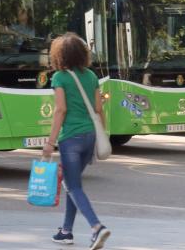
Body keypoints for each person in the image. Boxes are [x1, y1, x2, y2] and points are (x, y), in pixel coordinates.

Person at [42, 33, 111, 250]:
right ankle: (66, 232)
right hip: (90, 136)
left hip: (70, 138)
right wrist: (104, 134)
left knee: (73, 185)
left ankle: (97, 227)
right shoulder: (90, 76)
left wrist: (50, 142)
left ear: (59, 56)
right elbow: (99, 110)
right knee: (73, 185)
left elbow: (61, 109)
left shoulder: (59, 78)